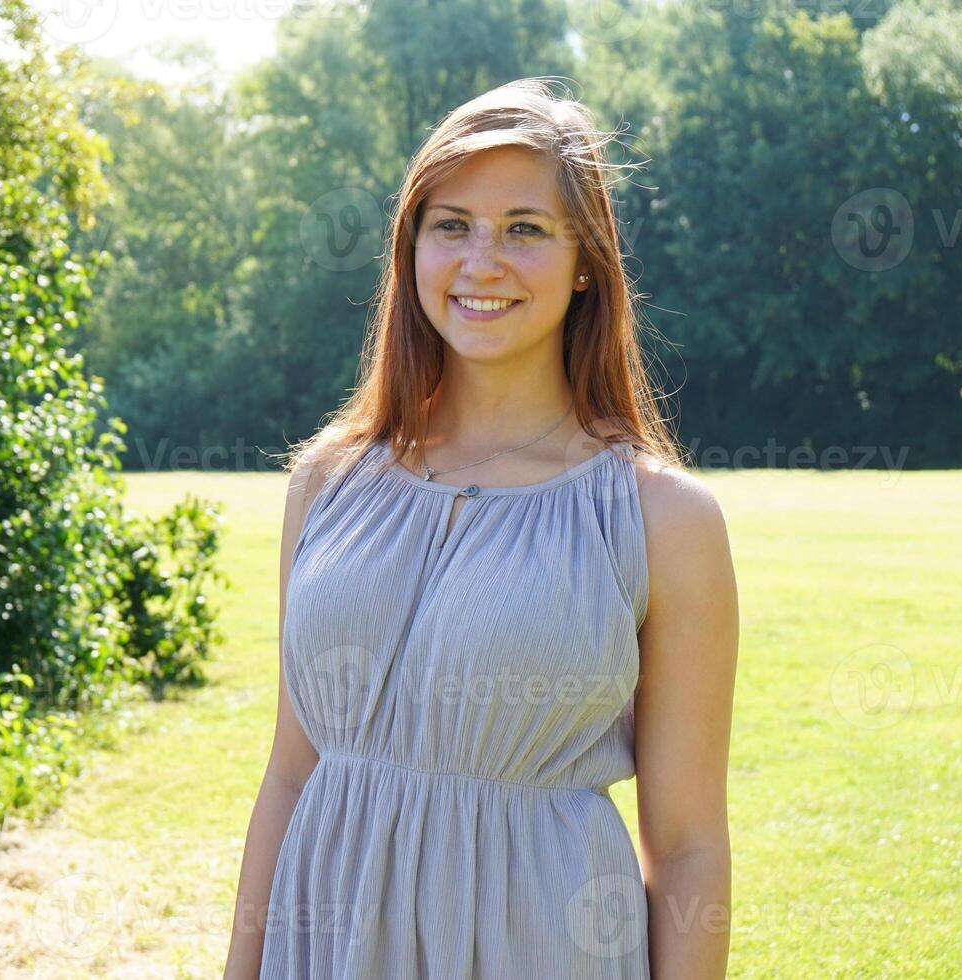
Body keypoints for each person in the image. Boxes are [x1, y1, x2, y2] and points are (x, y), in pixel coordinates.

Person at [223, 77, 738, 980]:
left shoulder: (664, 518)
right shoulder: (327, 483)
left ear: (588, 261)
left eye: (525, 229)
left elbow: (689, 842)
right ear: (411, 246)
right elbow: (292, 774)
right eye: (451, 224)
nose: (480, 261)